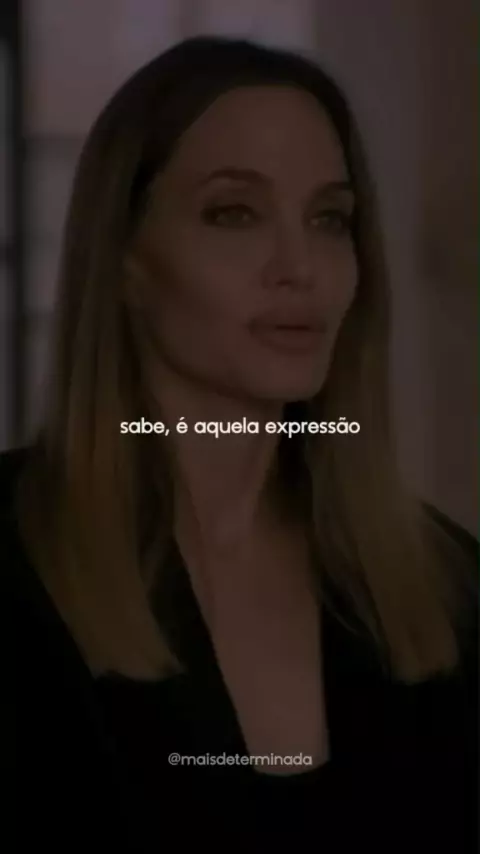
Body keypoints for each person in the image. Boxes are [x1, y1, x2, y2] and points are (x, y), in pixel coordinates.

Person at [1, 35, 477, 852]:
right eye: (235, 213)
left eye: (329, 219)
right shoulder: (18, 552)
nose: (300, 266)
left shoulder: (446, 586)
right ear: (125, 259)